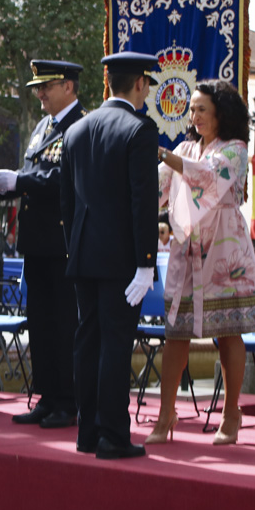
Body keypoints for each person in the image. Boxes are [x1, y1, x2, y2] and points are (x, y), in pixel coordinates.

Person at [150, 80, 255, 445]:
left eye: (202, 108)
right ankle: (165, 413)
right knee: (176, 333)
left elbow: (204, 176)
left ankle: (232, 411)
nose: (195, 115)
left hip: (224, 250)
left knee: (229, 331)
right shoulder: (186, 146)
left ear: (222, 112)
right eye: (193, 109)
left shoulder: (235, 149)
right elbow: (160, 188)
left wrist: (160, 153)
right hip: (187, 250)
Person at [60, 52, 159, 460]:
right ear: (139, 84)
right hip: (122, 257)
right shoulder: (139, 129)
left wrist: (75, 247)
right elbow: (142, 202)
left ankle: (87, 431)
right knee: (115, 343)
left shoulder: (76, 129)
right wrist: (146, 261)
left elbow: (67, 204)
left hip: (84, 251)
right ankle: (113, 434)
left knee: (88, 341)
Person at [0, 59, 85, 429]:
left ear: (69, 87)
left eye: (47, 86)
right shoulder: (44, 126)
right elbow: (33, 175)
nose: (40, 93)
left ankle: (67, 400)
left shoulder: (80, 125)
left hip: (62, 241)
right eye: (38, 87)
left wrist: (19, 182)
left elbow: (63, 180)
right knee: (40, 322)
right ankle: (46, 396)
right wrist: (3, 187)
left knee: (62, 322)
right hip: (37, 239)